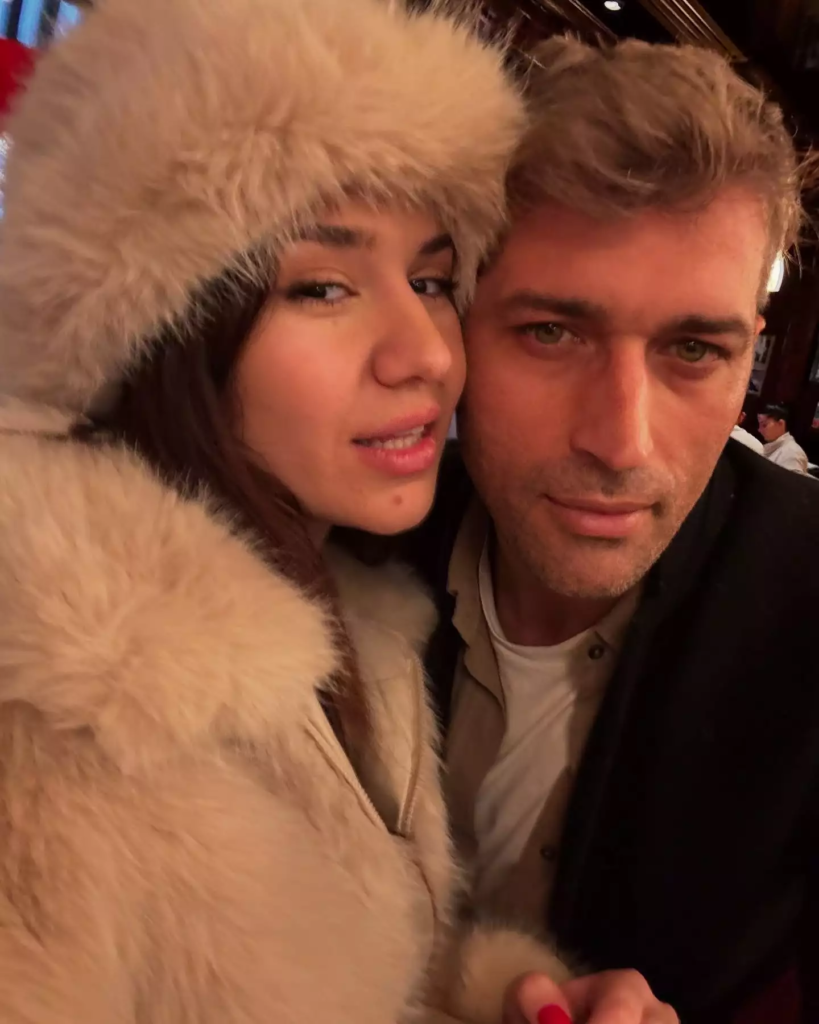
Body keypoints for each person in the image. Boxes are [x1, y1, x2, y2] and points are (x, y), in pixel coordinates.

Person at [0, 0, 588, 1020]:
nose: (427, 352)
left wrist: (509, 1002)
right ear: (153, 328)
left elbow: (366, 962)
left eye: (432, 279)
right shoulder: (59, 714)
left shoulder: (354, 624)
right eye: (321, 288)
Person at [398, 35, 819, 1024]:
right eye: (551, 332)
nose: (621, 442)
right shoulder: (333, 549)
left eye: (693, 349)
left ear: (749, 356)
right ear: (458, 321)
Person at [758, 402, 810, 473]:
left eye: (764, 425)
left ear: (781, 423)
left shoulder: (793, 454)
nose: (759, 429)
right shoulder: (773, 447)